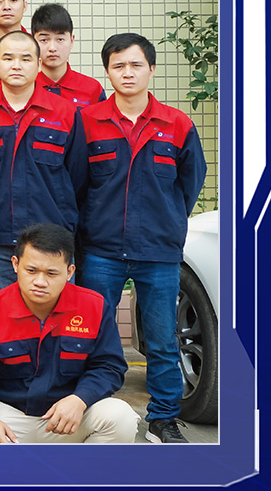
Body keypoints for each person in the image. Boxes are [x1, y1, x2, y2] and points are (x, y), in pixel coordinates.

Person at [72, 32, 207, 444]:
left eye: (135, 65)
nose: (127, 73)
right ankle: (98, 410)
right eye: (118, 66)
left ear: (151, 69)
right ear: (107, 72)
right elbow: (76, 183)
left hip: (158, 251)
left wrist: (167, 222)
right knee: (93, 333)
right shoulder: (88, 121)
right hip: (102, 250)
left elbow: (190, 183)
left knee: (163, 338)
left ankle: (163, 418)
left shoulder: (177, 124)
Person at [0, 223, 136, 444]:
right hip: (8, 415)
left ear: (69, 272)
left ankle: (80, 467)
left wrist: (80, 399)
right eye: (31, 271)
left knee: (121, 418)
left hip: (69, 416)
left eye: (51, 273)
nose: (40, 282)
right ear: (15, 264)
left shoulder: (94, 307)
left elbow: (109, 366)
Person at [0, 31, 85, 295]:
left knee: (56, 316)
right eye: (8, 58)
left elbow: (78, 178)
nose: (16, 65)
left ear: (39, 64)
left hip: (52, 241)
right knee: (2, 316)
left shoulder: (65, 113)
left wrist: (65, 228)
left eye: (26, 59)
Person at [31, 3, 107, 109]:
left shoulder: (92, 89)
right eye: (44, 40)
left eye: (60, 39)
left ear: (71, 41)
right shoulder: (23, 87)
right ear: (33, 42)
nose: (52, 48)